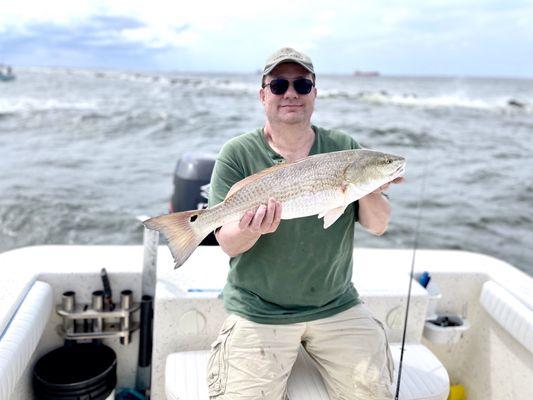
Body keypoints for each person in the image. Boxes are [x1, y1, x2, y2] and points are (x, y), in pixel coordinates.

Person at [206, 47, 403, 400]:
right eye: (279, 85)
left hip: (336, 303)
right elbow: (228, 244)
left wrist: (371, 185)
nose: (291, 93)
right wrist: (251, 228)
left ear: (315, 92)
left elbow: (378, 225)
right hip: (258, 308)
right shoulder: (236, 153)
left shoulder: (344, 148)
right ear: (263, 94)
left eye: (302, 84)